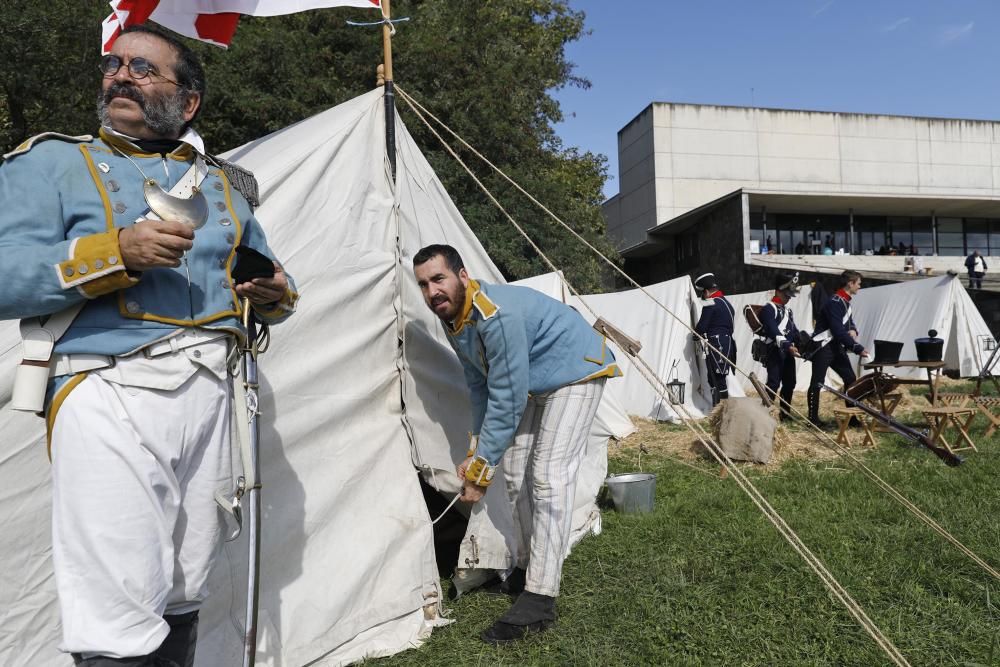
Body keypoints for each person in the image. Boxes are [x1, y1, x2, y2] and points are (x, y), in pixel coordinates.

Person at [0, 25, 297, 666]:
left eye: (142, 67)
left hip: (213, 389)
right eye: (114, 65)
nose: (120, 76)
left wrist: (274, 291)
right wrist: (115, 254)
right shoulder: (50, 162)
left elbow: (273, 277)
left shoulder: (225, 186)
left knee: (187, 584)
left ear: (187, 102)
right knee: (117, 593)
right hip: (107, 384)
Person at [412, 244, 620, 645]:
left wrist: (477, 475)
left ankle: (541, 599)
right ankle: (527, 569)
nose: (431, 291)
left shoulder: (494, 315)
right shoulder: (452, 317)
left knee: (548, 474)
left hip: (576, 368)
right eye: (423, 284)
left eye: (438, 279)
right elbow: (478, 385)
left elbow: (506, 399)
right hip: (535, 381)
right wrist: (477, 453)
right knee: (512, 472)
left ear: (463, 276)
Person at [807, 271, 869, 427]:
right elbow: (837, 330)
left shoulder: (844, 301)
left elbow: (848, 323)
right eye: (858, 283)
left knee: (850, 379)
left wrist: (854, 329)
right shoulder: (834, 302)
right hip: (824, 346)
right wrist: (857, 347)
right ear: (850, 283)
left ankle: (852, 417)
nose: (859, 287)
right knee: (817, 382)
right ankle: (812, 419)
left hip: (835, 346)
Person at [757, 272, 801, 421]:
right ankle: (764, 414)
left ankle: (785, 414)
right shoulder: (769, 309)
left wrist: (805, 342)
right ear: (778, 291)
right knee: (773, 383)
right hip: (775, 351)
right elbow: (773, 330)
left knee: (790, 383)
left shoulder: (788, 311)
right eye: (786, 294)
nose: (789, 297)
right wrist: (788, 345)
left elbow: (794, 331)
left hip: (787, 352)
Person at [693, 272, 736, 406]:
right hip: (727, 343)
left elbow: (702, 326)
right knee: (719, 377)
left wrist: (695, 335)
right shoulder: (727, 303)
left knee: (716, 378)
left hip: (717, 344)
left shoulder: (711, 303)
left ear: (706, 291)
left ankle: (720, 410)